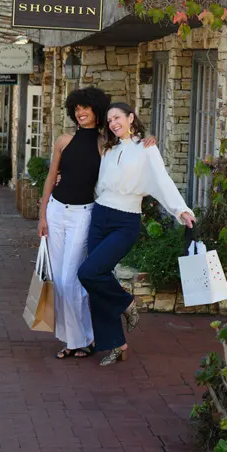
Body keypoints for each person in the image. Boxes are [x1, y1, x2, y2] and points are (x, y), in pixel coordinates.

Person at [78, 102, 195, 367]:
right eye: (109, 120)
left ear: (131, 118)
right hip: (100, 216)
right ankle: (116, 344)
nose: (113, 123)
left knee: (88, 272)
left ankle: (126, 303)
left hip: (125, 220)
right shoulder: (109, 148)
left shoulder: (146, 149)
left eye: (117, 117)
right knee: (97, 279)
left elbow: (162, 180)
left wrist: (181, 210)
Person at [37, 87, 111, 359]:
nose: (81, 112)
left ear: (97, 111)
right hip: (56, 212)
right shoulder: (64, 141)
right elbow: (50, 177)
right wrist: (42, 215)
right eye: (77, 108)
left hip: (83, 214)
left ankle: (84, 337)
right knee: (58, 280)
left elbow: (131, 144)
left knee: (71, 280)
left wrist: (148, 139)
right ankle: (72, 340)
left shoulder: (105, 145)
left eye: (86, 108)